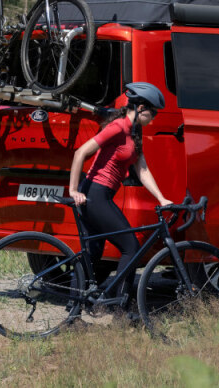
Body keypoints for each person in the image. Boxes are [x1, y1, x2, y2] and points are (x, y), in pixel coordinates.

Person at [68, 82, 173, 302]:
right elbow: (80, 153)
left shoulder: (135, 131)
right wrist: (73, 190)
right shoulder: (118, 127)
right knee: (131, 247)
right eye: (152, 113)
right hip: (94, 194)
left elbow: (141, 169)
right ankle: (119, 308)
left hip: (102, 195)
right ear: (141, 107)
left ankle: (74, 311)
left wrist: (161, 198)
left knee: (92, 253)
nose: (153, 119)